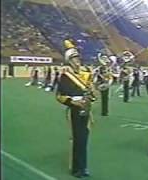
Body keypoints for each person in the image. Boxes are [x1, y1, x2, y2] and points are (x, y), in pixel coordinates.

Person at [56, 39, 96, 178]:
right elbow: (60, 96)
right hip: (74, 109)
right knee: (76, 139)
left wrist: (91, 94)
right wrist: (73, 102)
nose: (77, 60)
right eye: (73, 59)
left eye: (78, 58)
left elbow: (91, 92)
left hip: (86, 108)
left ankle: (83, 167)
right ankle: (75, 168)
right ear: (69, 61)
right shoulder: (65, 76)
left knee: (84, 139)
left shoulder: (86, 74)